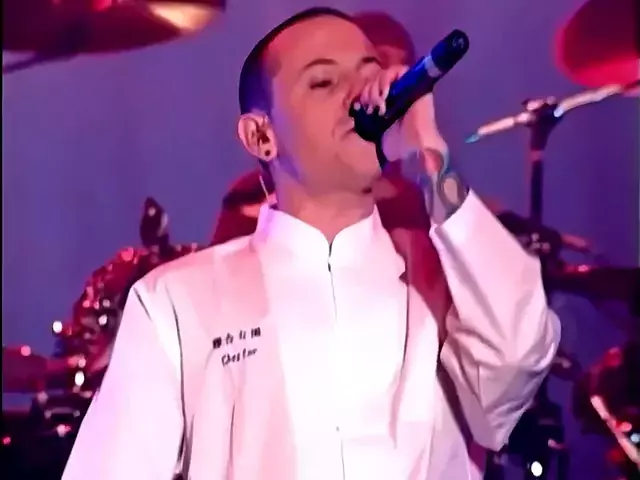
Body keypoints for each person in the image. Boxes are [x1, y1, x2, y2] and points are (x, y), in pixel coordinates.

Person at [62, 7, 561, 480]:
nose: (360, 96)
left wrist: (430, 153)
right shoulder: (177, 300)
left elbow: (516, 365)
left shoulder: (444, 280)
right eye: (324, 82)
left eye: (370, 75)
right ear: (261, 136)